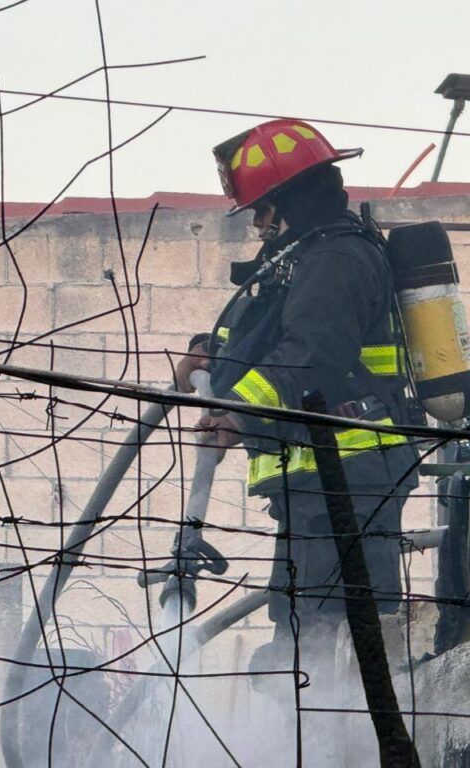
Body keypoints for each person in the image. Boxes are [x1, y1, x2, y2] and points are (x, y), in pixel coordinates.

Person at [174, 118, 419, 686]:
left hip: (349, 478)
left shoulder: (336, 260)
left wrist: (237, 415)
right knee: (301, 624)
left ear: (291, 201)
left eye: (263, 208)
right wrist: (211, 356)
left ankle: (335, 740)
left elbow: (310, 359)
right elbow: (278, 339)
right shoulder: (308, 257)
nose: (258, 224)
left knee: (326, 635)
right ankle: (303, 728)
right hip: (317, 483)